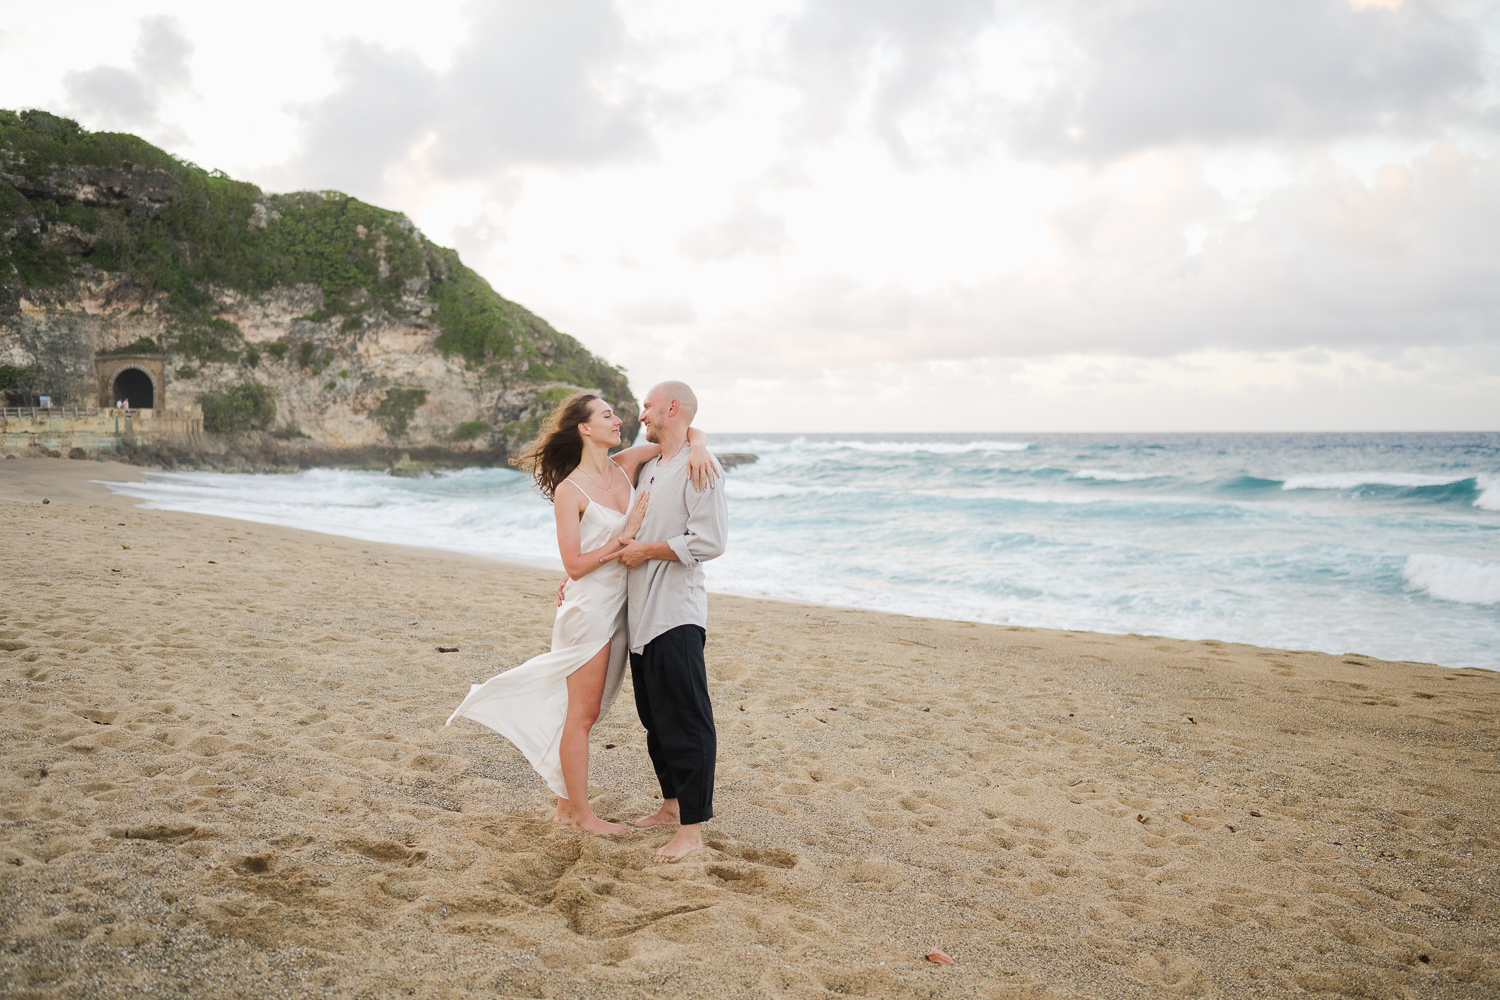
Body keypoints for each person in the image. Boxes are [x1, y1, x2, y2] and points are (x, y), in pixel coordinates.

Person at [446, 393, 718, 835]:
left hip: (624, 606)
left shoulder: (625, 464)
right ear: (585, 429)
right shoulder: (569, 491)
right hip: (590, 608)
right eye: (608, 415)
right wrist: (623, 538)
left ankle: (563, 808)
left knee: (584, 711)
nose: (620, 420)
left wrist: (702, 446)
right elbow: (574, 564)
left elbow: (682, 435)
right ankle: (582, 815)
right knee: (583, 714)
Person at [603, 381, 729, 863]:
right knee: (655, 719)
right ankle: (672, 807)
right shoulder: (655, 465)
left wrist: (647, 551)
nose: (640, 415)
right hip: (641, 613)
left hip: (676, 613)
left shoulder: (703, 469)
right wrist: (693, 436)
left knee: (686, 720)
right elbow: (618, 462)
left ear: (671, 407)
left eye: (648, 407)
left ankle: (692, 831)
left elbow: (710, 541)